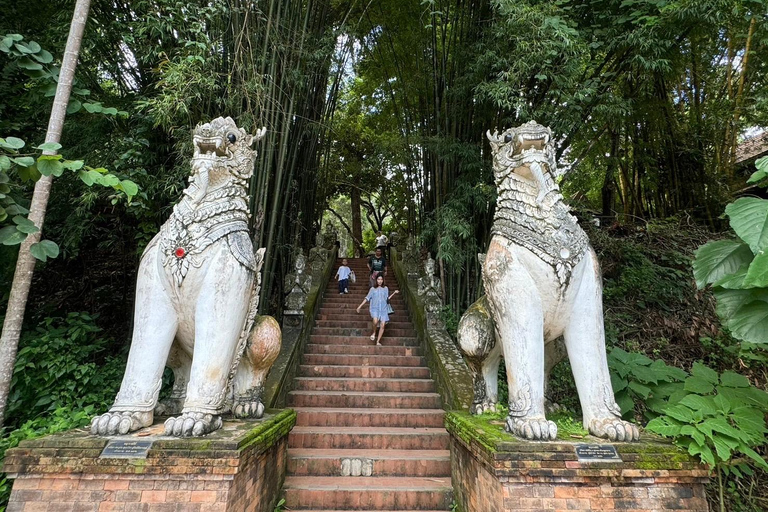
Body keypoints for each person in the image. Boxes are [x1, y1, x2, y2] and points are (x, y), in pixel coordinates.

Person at [356, 274, 400, 345]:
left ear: (383, 280)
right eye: (378, 279)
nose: (380, 281)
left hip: (383, 309)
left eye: (381, 279)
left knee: (382, 325)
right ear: (376, 280)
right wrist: (360, 306)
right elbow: (367, 298)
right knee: (375, 321)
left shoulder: (385, 288)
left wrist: (394, 293)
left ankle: (378, 341)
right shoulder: (372, 289)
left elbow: (387, 299)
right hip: (374, 308)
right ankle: (374, 332)